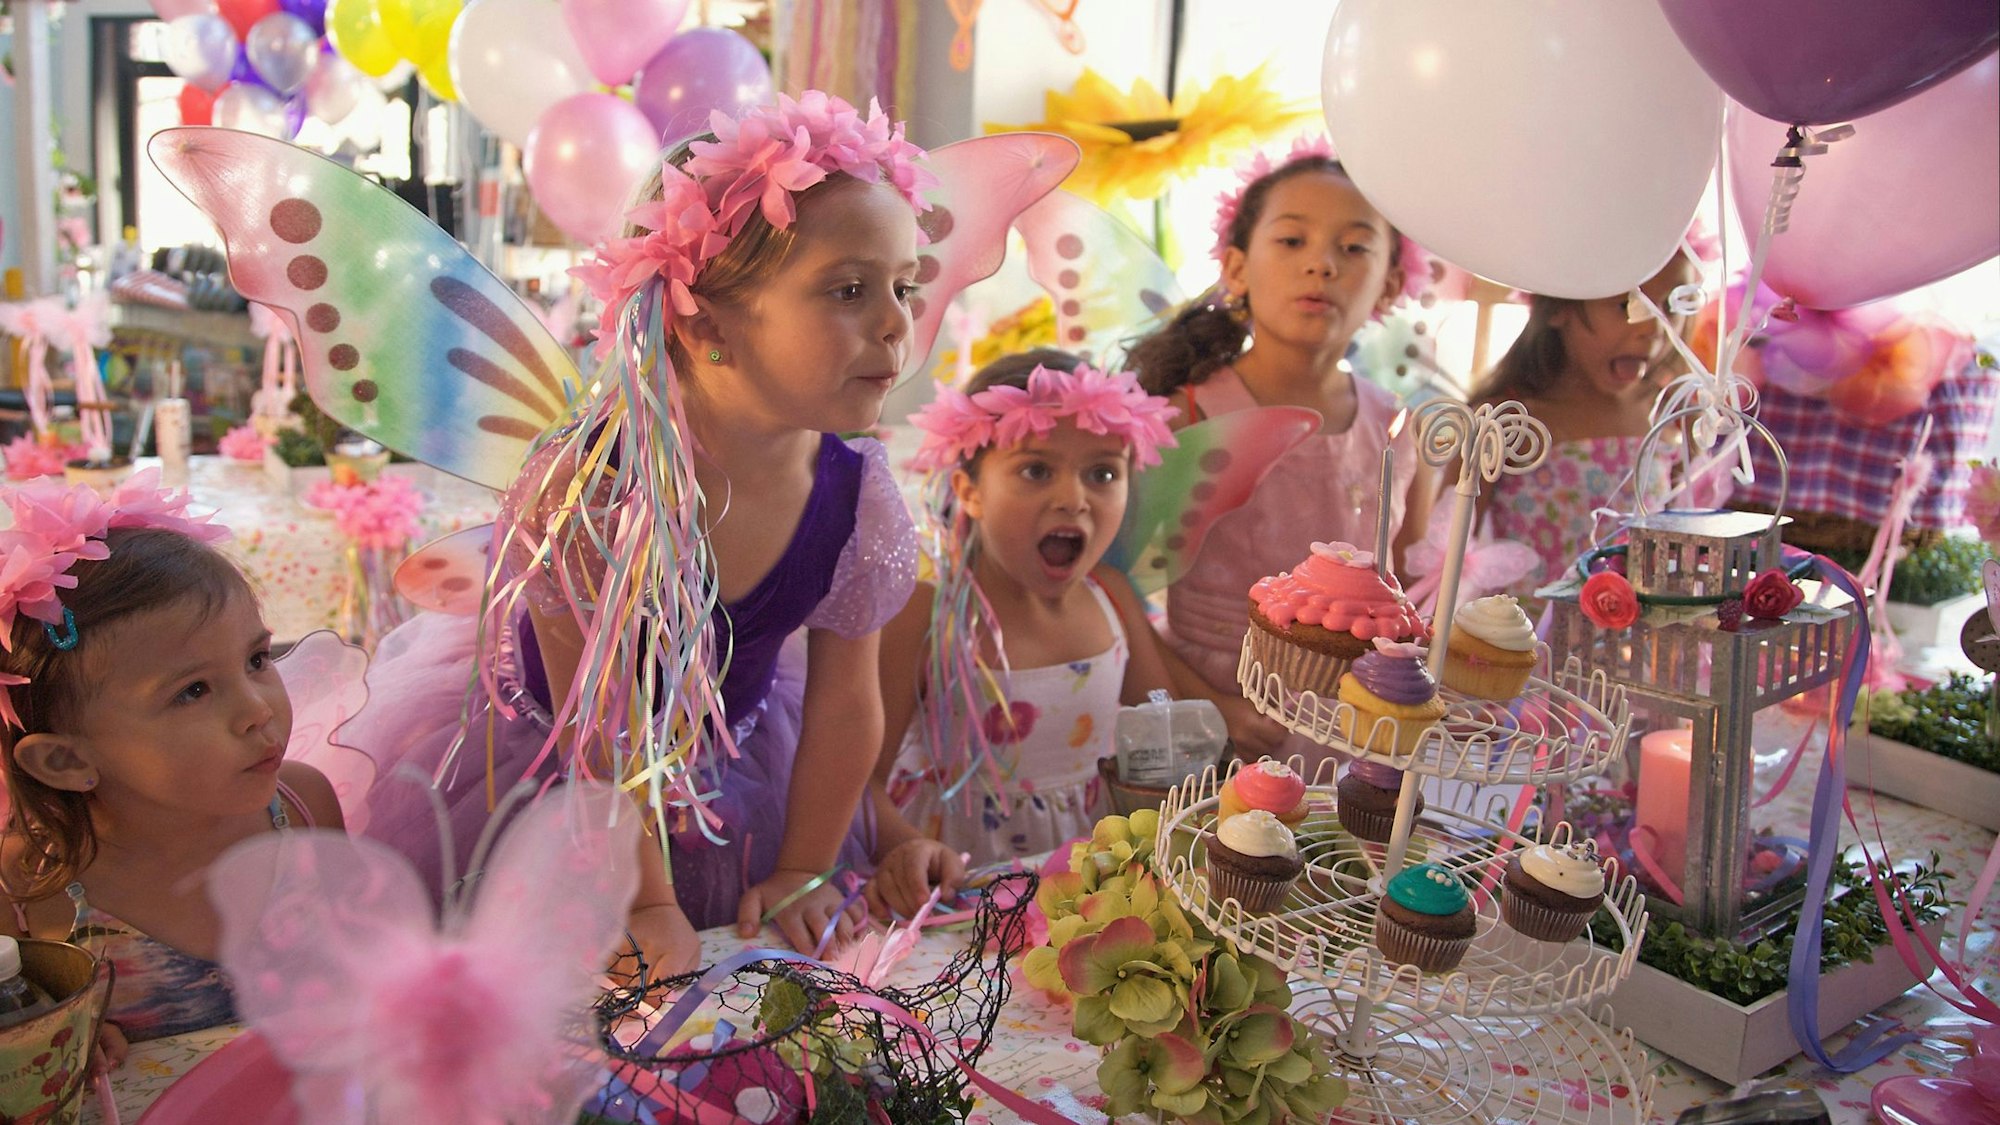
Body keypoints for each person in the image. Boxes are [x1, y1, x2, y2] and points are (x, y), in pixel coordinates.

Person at [343, 93, 926, 961]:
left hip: (745, 753)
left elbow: (847, 704)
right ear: (704, 318)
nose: (896, 320)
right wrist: (645, 897)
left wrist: (805, 867)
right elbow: (598, 731)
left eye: (903, 286)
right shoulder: (593, 491)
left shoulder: (856, 493)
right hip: (569, 783)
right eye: (849, 289)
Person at [0, 471, 344, 1062]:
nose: (259, 710)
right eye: (193, 691)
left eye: (258, 658)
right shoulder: (29, 889)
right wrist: (42, 1046)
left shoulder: (306, 809)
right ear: (65, 759)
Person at [1128, 137, 1434, 759]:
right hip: (1211, 727)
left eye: (1353, 248)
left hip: (1356, 735)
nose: (1321, 264)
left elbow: (1415, 596)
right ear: (1237, 268)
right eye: (1292, 241)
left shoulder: (1401, 432)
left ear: (1390, 284)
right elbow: (1112, 586)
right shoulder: (1186, 414)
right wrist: (1211, 708)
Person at [866, 350, 1179, 915]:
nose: (1073, 498)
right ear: (969, 490)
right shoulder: (927, 612)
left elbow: (1164, 735)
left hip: (1085, 889)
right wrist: (908, 848)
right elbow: (860, 785)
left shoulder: (1111, 598)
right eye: (1036, 470)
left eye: (1103, 473)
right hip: (956, 892)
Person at [1470, 258, 1699, 599]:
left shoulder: (1669, 413)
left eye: (1671, 304)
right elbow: (1444, 549)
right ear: (1558, 307)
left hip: (1631, 642)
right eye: (1626, 305)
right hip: (1526, 642)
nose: (1653, 327)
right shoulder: (1509, 420)